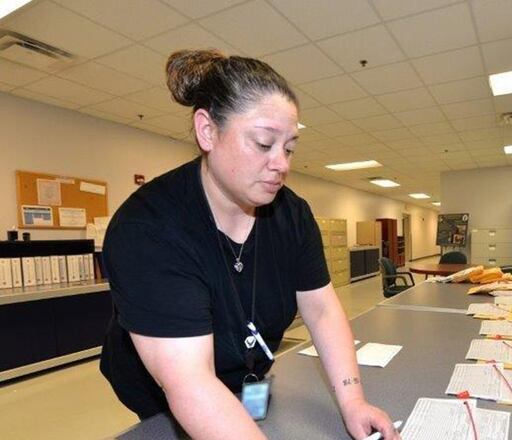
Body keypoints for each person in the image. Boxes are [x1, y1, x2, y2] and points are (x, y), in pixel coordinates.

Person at [99, 49, 399, 440]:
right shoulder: (148, 229)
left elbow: (322, 309)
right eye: (263, 143)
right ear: (207, 131)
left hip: (246, 373)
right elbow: (191, 383)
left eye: (289, 147)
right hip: (164, 388)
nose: (282, 164)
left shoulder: (292, 215)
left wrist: (353, 401)